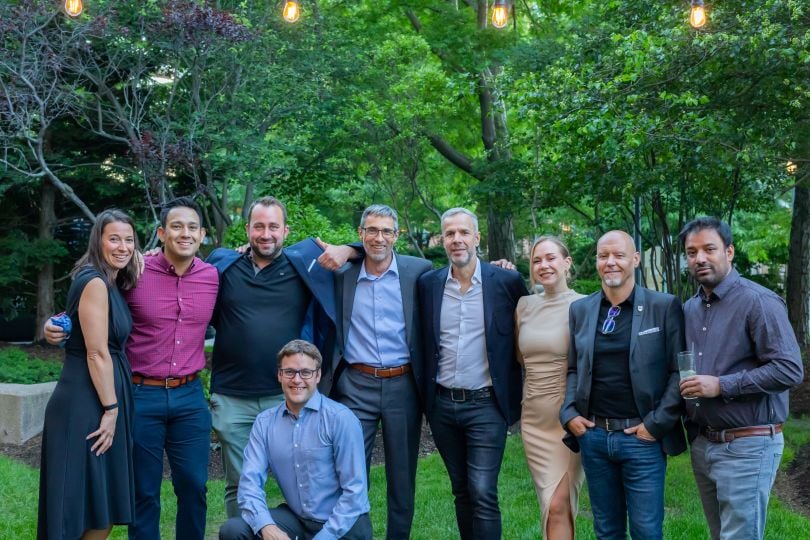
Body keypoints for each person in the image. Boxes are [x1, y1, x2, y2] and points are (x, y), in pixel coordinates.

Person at [45, 197, 219, 540]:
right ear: (161, 233)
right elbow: (93, 308)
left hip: (189, 396)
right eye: (176, 226)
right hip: (141, 395)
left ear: (202, 235)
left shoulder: (215, 275)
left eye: (192, 228)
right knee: (143, 491)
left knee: (195, 487)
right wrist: (58, 324)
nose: (185, 234)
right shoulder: (134, 272)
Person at [205, 196, 354, 518]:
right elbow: (180, 268)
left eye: (273, 227)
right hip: (233, 396)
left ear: (286, 231)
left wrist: (349, 248)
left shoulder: (306, 266)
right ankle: (244, 535)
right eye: (258, 226)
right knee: (241, 482)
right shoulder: (223, 265)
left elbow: (370, 251)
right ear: (247, 230)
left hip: (290, 395)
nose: (266, 234)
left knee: (306, 480)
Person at [678, 217, 803, 540]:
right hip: (705, 443)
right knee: (720, 535)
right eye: (692, 252)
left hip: (748, 443)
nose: (700, 258)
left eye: (709, 249)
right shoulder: (691, 309)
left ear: (729, 251)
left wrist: (721, 385)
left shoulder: (758, 301)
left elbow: (789, 369)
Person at [560, 230, 686, 540]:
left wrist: (655, 425)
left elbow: (679, 371)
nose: (610, 262)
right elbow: (574, 367)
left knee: (646, 531)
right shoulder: (581, 310)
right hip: (594, 437)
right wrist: (569, 413)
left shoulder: (664, 306)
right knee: (607, 530)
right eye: (604, 256)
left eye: (618, 255)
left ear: (636, 259)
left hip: (642, 439)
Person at [418, 207, 528, 539]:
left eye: (464, 232)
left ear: (477, 238)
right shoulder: (428, 285)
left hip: (486, 404)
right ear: (442, 239)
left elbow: (527, 328)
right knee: (462, 490)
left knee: (482, 490)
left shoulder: (506, 281)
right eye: (450, 233)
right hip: (442, 405)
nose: (457, 239)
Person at [332, 204, 432, 539]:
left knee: (402, 478)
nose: (379, 237)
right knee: (347, 473)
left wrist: (503, 266)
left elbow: (461, 276)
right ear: (360, 235)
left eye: (386, 231)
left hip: (403, 385)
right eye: (371, 230)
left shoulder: (419, 271)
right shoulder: (341, 274)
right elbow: (298, 255)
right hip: (354, 385)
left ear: (397, 236)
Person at [37, 209, 139, 540]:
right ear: (98, 240)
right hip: (87, 403)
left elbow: (71, 321)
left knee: (101, 506)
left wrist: (53, 324)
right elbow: (96, 353)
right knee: (79, 509)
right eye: (114, 238)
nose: (122, 246)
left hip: (99, 397)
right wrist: (110, 411)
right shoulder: (94, 281)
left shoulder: (106, 279)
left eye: (129, 239)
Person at [219, 339, 372, 540]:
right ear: (280, 375)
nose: (297, 379)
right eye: (289, 372)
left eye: (305, 372)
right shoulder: (265, 423)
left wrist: (324, 537)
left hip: (344, 524)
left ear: (317, 375)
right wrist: (266, 526)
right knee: (234, 530)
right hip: (297, 520)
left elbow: (355, 492)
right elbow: (249, 484)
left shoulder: (341, 419)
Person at [515, 236, 584, 540]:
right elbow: (522, 358)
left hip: (568, 420)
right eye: (536, 261)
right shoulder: (524, 306)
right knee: (548, 503)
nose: (543, 265)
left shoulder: (585, 305)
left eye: (550, 258)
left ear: (567, 263)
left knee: (559, 503)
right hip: (533, 420)